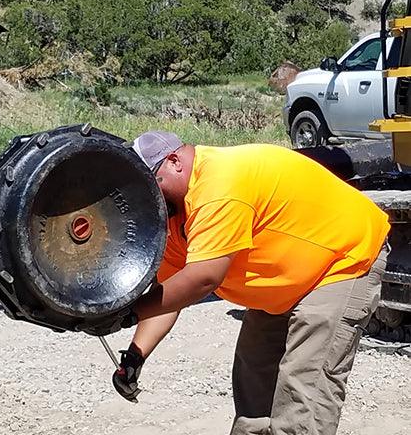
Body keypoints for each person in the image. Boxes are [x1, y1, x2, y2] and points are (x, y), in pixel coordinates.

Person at [113, 131, 389, 435]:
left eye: (151, 184)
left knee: (304, 391)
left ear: (175, 161)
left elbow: (203, 277)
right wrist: (135, 355)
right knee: (255, 381)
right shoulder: (172, 214)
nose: (147, 198)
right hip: (289, 278)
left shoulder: (218, 183)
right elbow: (170, 294)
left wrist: (127, 313)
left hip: (342, 260)